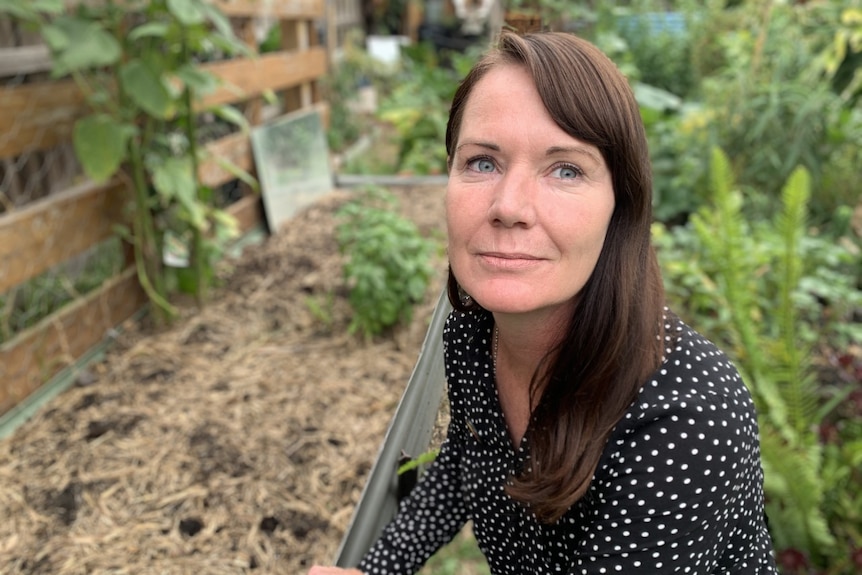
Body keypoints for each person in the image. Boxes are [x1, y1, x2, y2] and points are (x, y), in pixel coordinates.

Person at [310, 30, 778, 574]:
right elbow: (466, 458)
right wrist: (378, 568)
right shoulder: (471, 335)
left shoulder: (684, 420)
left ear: (620, 207)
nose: (509, 207)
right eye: (482, 162)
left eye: (566, 170)